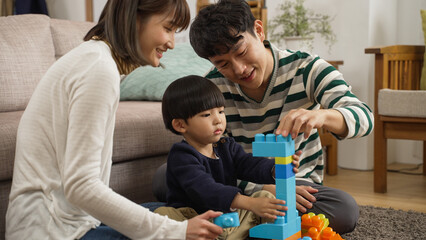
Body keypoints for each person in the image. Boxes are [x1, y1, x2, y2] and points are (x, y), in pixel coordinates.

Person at [5, 1, 223, 239]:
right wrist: (177, 231)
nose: (171, 43)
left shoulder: (97, 58)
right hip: (53, 230)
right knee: (182, 227)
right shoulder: (98, 68)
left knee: (182, 213)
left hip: (74, 220)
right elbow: (82, 187)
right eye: (168, 28)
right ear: (135, 19)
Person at [189, 0, 374, 234]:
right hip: (236, 185)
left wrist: (323, 116)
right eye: (223, 64)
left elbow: (364, 117)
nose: (239, 69)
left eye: (242, 52)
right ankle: (253, 218)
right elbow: (210, 158)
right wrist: (264, 191)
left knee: (344, 210)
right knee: (167, 175)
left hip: (295, 188)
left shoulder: (307, 69)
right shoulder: (211, 87)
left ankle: (238, 222)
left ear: (258, 30)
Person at [155, 75, 301, 239]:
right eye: (206, 115)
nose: (218, 120)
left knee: (266, 197)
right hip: (195, 221)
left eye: (221, 111)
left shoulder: (226, 146)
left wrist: (275, 168)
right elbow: (205, 189)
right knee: (162, 214)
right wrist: (249, 202)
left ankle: (269, 235)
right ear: (180, 125)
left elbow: (248, 164)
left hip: (229, 220)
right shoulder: (181, 156)